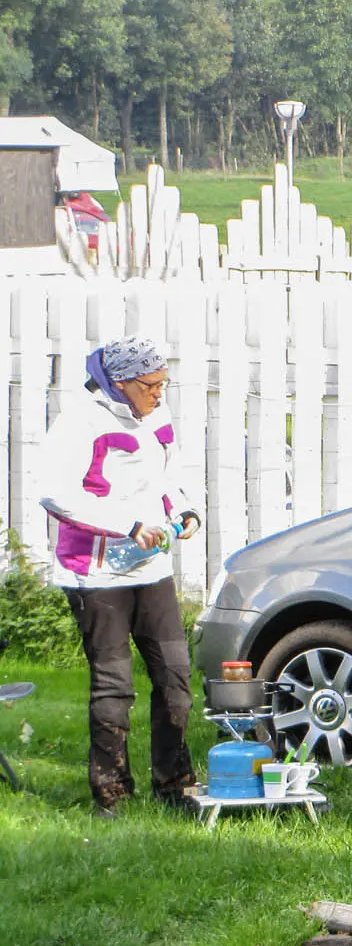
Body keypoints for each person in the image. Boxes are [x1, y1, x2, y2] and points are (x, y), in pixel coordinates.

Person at [38, 337, 202, 815]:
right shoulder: (79, 423)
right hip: (95, 574)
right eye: (151, 384)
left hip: (150, 569)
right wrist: (128, 526)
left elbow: (169, 476)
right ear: (123, 380)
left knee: (175, 678)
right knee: (114, 687)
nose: (158, 393)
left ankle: (175, 787)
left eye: (163, 383)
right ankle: (110, 796)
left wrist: (186, 509)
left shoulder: (157, 415)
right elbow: (53, 493)